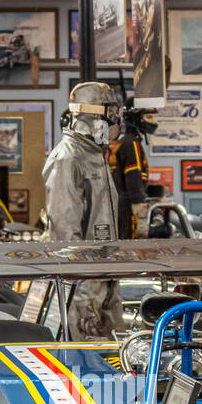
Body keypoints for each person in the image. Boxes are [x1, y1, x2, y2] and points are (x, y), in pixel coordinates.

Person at [43, 81, 122, 335]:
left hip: (105, 280)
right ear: (94, 115)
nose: (115, 122)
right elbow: (66, 237)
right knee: (82, 364)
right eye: (110, 113)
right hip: (82, 291)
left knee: (112, 362)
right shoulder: (68, 158)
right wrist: (83, 301)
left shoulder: (95, 156)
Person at [110, 100, 157, 238]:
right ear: (136, 118)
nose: (153, 121)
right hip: (129, 209)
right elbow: (134, 181)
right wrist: (141, 220)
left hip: (120, 207)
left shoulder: (123, 142)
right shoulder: (132, 145)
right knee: (132, 250)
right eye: (148, 117)